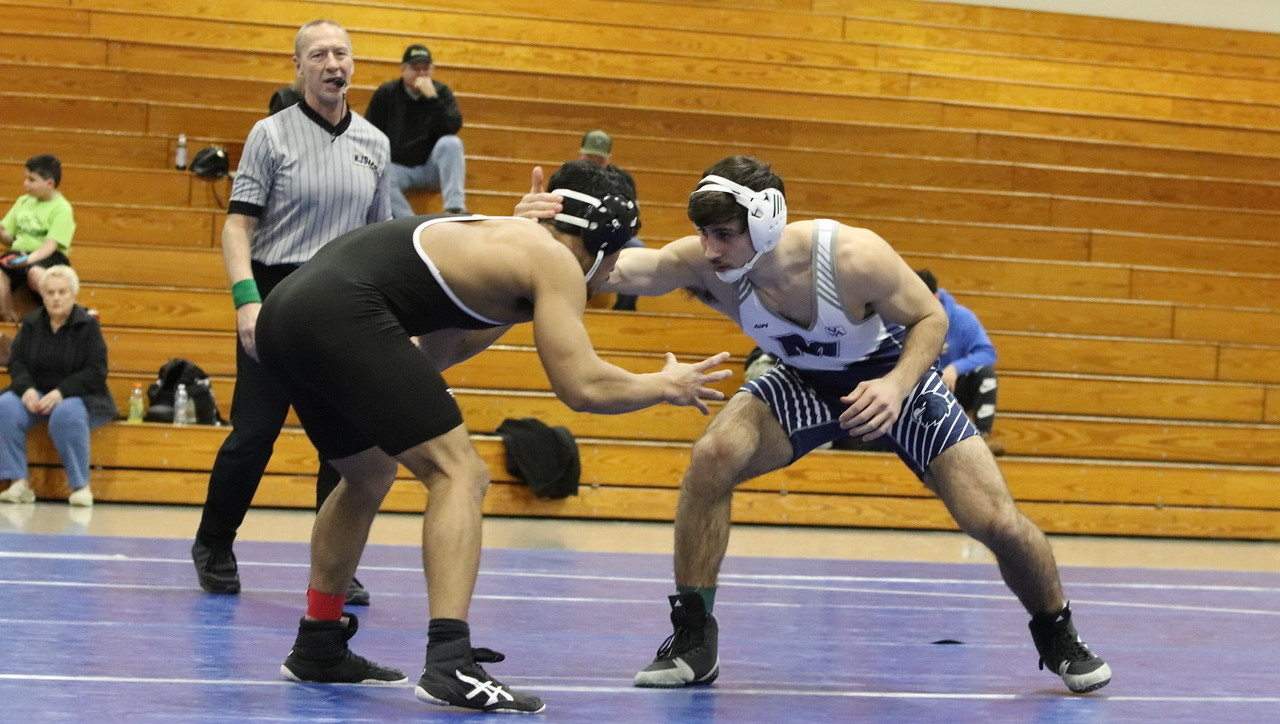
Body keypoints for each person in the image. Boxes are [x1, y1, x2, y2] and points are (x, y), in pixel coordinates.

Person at [517, 156, 1112, 695]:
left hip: (889, 376)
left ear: (767, 222)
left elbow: (929, 317)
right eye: (703, 233)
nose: (710, 250)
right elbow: (615, 272)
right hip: (800, 378)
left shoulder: (852, 257)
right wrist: (537, 236)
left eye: (723, 234)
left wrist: (896, 386)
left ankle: (1056, 630)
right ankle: (694, 639)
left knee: (994, 520)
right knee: (714, 455)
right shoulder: (708, 262)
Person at [253, 160, 731, 714]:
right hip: (338, 311)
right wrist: (664, 384)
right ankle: (449, 661)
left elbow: (436, 353)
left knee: (368, 472)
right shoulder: (552, 260)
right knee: (460, 472)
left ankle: (318, 640)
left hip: (287, 312)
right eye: (620, 250)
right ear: (602, 237)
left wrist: (519, 304)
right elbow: (581, 387)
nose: (616, 268)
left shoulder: (507, 246)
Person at [191, 19, 391, 606]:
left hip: (344, 299)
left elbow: (380, 238)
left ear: (353, 65)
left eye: (343, 54)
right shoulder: (269, 135)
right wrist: (246, 300)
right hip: (276, 295)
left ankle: (336, 562)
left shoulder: (375, 145)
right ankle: (214, 542)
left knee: (348, 447)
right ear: (299, 67)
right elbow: (238, 226)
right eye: (321, 54)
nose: (334, 64)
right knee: (253, 435)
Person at [0, 266, 116, 507]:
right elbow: (17, 363)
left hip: (77, 395)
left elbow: (96, 371)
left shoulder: (88, 326)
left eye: (62, 292)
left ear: (73, 294)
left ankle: (80, 486)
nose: (55, 298)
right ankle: (18, 482)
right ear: (43, 296)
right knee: (5, 406)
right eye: (50, 292)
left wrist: (61, 392)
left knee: (67, 414)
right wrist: (27, 389)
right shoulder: (31, 322)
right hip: (36, 393)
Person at [365, 44, 467, 217]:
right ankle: (410, 223)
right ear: (403, 70)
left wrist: (433, 99)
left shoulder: (441, 92)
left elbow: (452, 127)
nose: (421, 74)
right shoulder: (387, 93)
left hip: (432, 167)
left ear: (432, 70)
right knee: (379, 176)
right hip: (398, 167)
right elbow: (370, 131)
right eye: (415, 68)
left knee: (451, 143)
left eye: (425, 68)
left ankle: (455, 209)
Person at [916, 269, 1004, 455]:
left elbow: (988, 353)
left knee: (986, 375)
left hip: (953, 389)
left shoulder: (961, 318)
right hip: (918, 391)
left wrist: (955, 368)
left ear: (936, 296)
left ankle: (983, 437)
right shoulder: (900, 317)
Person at [0, 155, 75, 323]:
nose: (25, 184)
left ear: (49, 183)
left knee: (36, 274)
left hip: (49, 257)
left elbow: (50, 245)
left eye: (31, 180)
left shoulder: (61, 209)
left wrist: (27, 260)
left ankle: (71, 313)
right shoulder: (23, 201)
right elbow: (9, 239)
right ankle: (8, 318)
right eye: (26, 178)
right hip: (19, 253)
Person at [578, 130, 643, 311]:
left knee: (637, 248)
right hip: (576, 231)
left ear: (608, 157)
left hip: (613, 232)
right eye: (589, 156)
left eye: (599, 158)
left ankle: (625, 308)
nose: (594, 162)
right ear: (581, 153)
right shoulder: (570, 174)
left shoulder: (623, 180)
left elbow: (633, 215)